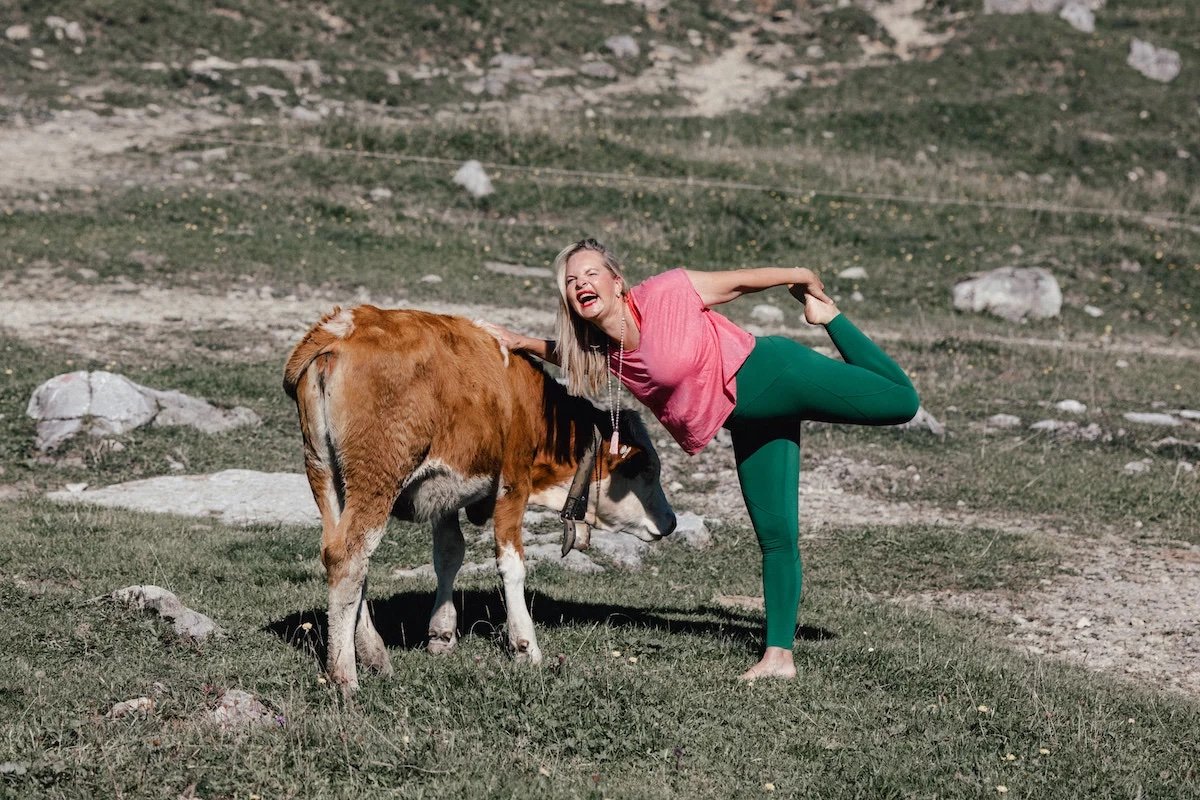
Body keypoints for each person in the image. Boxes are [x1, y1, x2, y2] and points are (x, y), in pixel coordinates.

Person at [489, 238, 919, 679]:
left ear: (617, 281)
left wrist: (800, 274)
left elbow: (737, 285)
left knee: (902, 401)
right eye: (571, 281)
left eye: (590, 274)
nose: (581, 283)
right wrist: (521, 342)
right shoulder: (602, 348)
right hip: (750, 421)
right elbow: (568, 356)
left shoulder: (666, 292)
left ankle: (832, 319)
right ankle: (778, 657)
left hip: (772, 372)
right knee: (776, 536)